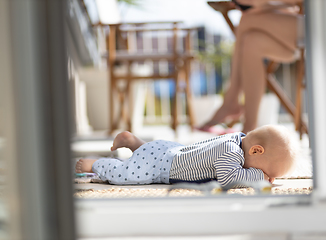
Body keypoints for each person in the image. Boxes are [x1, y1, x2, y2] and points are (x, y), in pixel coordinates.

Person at [198, 0, 303, 134]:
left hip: (317, 25)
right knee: (251, 42)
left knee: (247, 19)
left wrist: (266, 3)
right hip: (291, 35)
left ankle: (231, 100)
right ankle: (249, 126)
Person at [75, 125, 297, 187]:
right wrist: (259, 176)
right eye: (268, 171)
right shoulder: (232, 153)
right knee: (128, 174)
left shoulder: (235, 138)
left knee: (148, 155)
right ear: (255, 151)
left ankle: (136, 144)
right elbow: (230, 178)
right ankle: (96, 163)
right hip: (162, 165)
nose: (268, 176)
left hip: (167, 150)